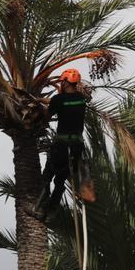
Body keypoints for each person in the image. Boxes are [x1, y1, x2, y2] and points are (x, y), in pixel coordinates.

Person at [42, 68, 94, 210]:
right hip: (77, 145)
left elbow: (48, 115)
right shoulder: (81, 99)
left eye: (62, 82)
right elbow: (70, 102)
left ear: (65, 82)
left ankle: (41, 204)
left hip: (61, 145)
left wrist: (42, 107)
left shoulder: (58, 99)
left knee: (47, 175)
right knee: (61, 180)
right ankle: (52, 209)